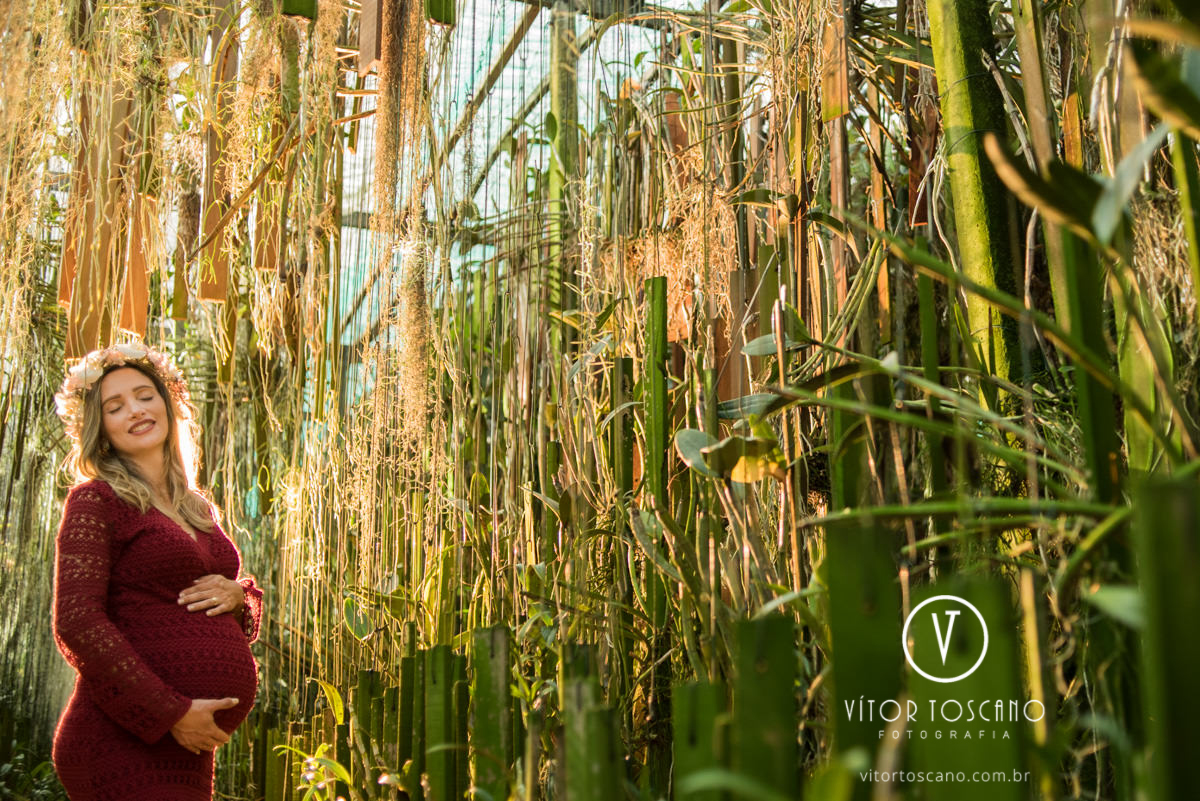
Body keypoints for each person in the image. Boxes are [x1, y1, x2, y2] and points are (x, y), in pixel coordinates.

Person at [49, 341, 264, 800]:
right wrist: (169, 712)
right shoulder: (97, 501)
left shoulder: (196, 507)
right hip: (123, 736)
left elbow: (197, 609)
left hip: (187, 744)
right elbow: (77, 621)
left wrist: (237, 595)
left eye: (145, 395)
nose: (135, 410)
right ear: (100, 429)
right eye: (115, 406)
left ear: (167, 404)